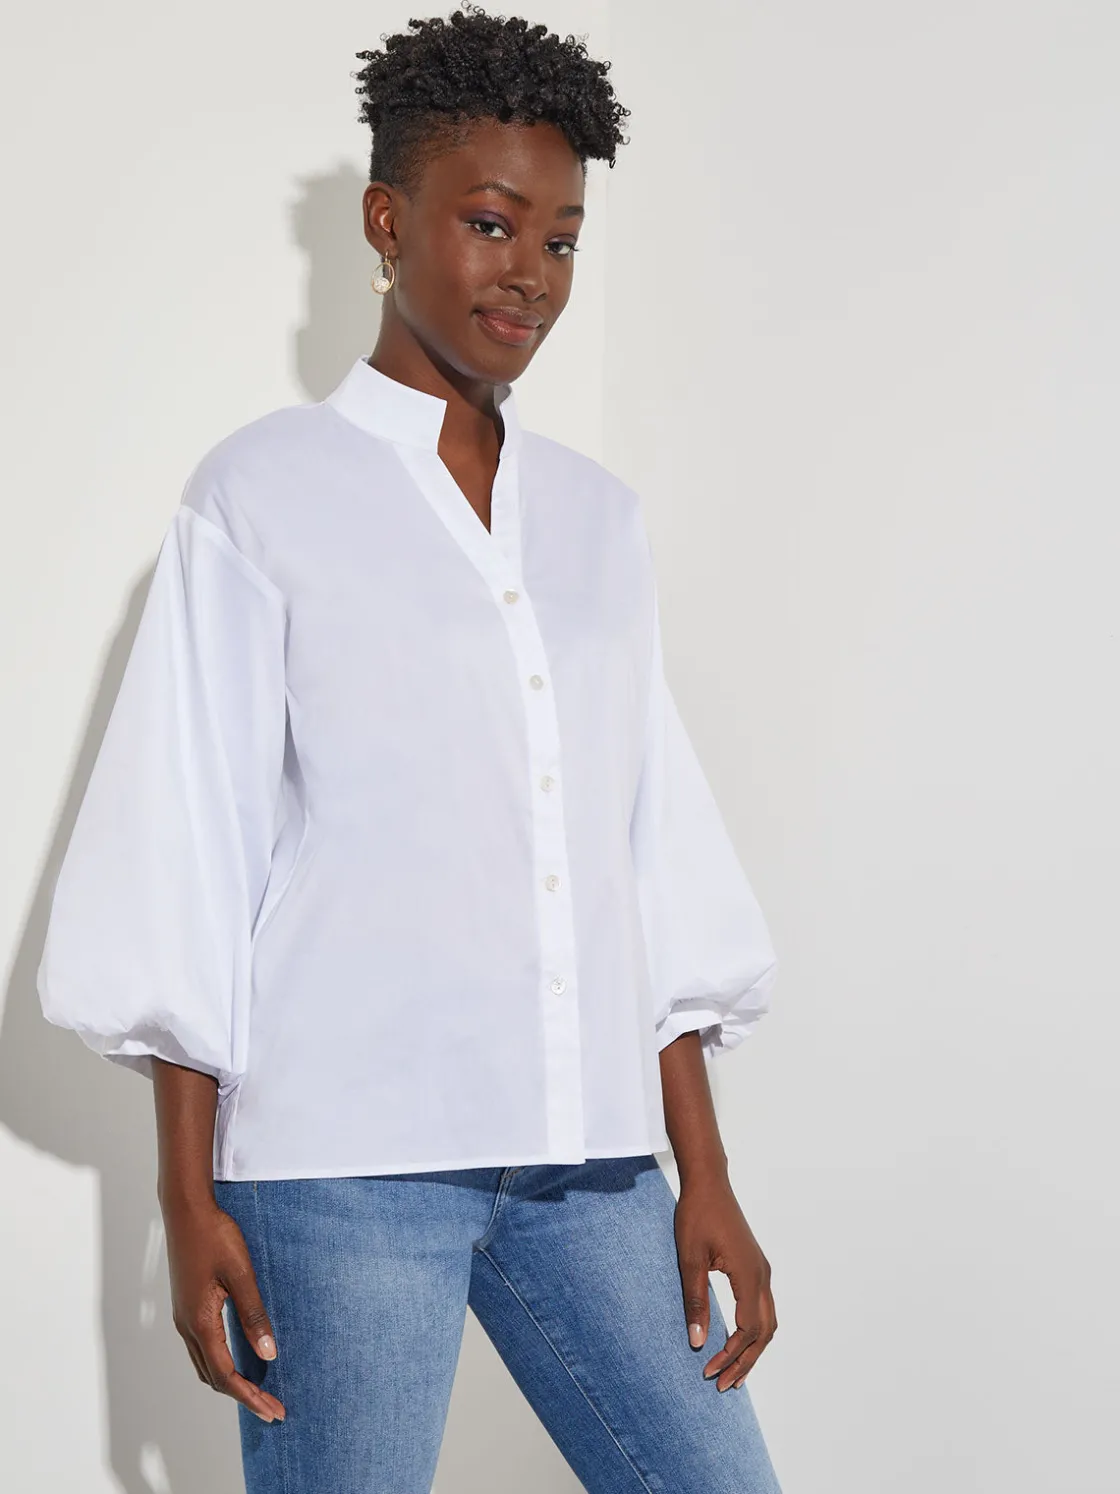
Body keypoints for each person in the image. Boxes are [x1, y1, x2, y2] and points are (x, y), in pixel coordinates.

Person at [36, 6, 782, 1490]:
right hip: (342, 1174)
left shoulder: (598, 521)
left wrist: (701, 1172)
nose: (531, 272)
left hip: (591, 1166)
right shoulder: (258, 497)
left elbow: (647, 856)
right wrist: (187, 1198)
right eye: (491, 223)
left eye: (562, 239)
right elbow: (189, 847)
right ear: (388, 222)